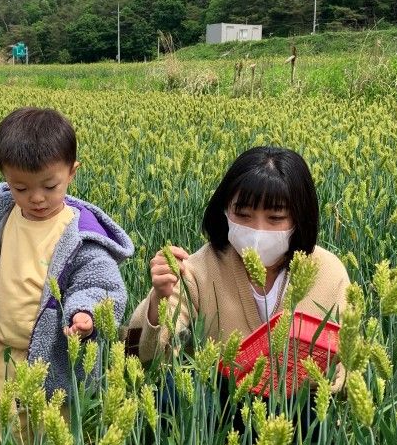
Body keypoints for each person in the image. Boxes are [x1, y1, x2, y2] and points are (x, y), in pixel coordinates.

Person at [0, 107, 134, 445]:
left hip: (54, 358)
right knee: (2, 439)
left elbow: (100, 283)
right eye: (21, 188)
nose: (36, 198)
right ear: (5, 178)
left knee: (53, 441)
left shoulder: (80, 233)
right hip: (0, 353)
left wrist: (84, 312)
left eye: (49, 186)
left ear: (72, 173)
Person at [127, 146, 349, 372]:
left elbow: (349, 362)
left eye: (275, 218)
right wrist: (159, 299)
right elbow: (151, 362)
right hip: (218, 403)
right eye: (243, 215)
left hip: (307, 402)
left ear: (300, 218)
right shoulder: (195, 271)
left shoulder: (328, 273)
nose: (257, 231)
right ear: (224, 211)